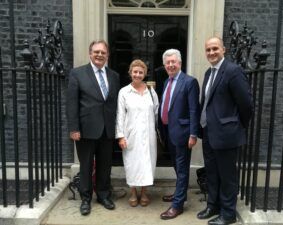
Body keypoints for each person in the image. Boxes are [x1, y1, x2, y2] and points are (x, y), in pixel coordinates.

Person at [197, 37, 253, 225]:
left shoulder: (233, 71)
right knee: (212, 173)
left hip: (226, 134)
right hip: (208, 132)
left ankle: (228, 213)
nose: (211, 52)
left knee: (227, 176)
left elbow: (246, 103)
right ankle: (213, 205)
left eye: (215, 49)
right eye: (208, 50)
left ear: (223, 50)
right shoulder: (208, 73)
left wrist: (237, 125)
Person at [67, 40, 120, 215]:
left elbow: (113, 104)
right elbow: (71, 103)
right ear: (90, 53)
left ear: (108, 55)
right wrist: (74, 128)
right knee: (86, 166)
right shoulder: (77, 73)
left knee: (105, 165)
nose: (99, 55)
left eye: (103, 52)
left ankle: (103, 195)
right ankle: (86, 198)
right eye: (96, 52)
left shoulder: (114, 76)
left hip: (107, 130)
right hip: (85, 130)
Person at [158, 49, 200, 220]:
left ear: (180, 63)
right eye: (167, 63)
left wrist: (193, 134)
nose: (170, 65)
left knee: (182, 169)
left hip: (183, 133)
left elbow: (193, 110)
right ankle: (179, 194)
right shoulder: (167, 82)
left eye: (173, 62)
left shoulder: (189, 82)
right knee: (176, 166)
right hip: (168, 132)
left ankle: (177, 206)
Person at [115, 59, 159, 207]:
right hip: (131, 135)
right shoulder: (124, 92)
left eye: (141, 72)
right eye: (135, 72)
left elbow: (156, 113)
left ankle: (144, 192)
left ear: (144, 74)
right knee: (132, 163)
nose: (138, 75)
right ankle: (133, 192)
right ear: (130, 73)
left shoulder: (151, 92)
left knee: (147, 163)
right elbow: (120, 115)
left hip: (148, 136)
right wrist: (120, 136)